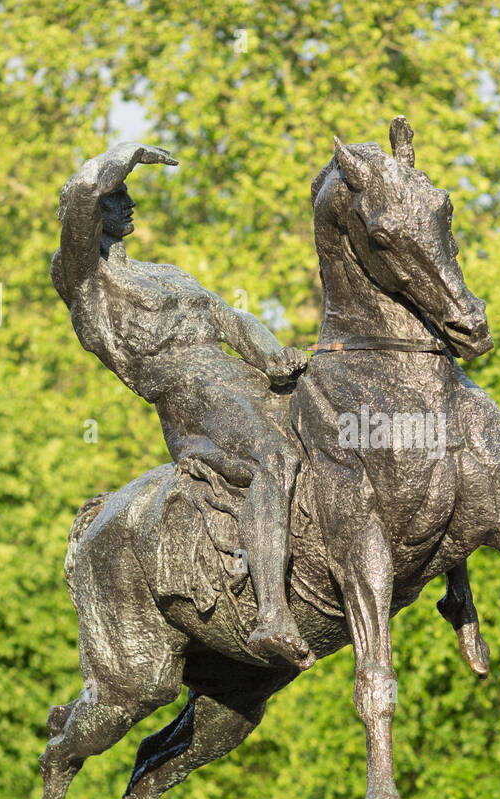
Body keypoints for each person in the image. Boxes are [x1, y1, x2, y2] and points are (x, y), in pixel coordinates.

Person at [52, 142, 311, 667]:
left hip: (239, 378)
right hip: (189, 400)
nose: (128, 204)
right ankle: (272, 617)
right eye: (116, 197)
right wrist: (129, 154)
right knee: (275, 458)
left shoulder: (168, 272)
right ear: (84, 221)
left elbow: (229, 317)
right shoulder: (83, 280)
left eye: (127, 195)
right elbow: (84, 188)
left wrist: (273, 356)